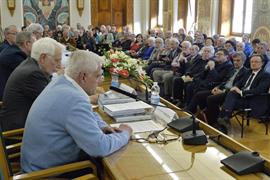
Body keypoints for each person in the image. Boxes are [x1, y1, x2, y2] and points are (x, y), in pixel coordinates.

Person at [21, 50, 132, 179]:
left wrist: (102, 125)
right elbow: (99, 147)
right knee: (114, 171)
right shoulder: (73, 99)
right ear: (83, 77)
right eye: (97, 76)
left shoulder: (62, 82)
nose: (99, 82)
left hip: (38, 163)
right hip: (47, 174)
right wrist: (125, 133)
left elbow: (88, 113)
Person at [0, 37, 63, 131]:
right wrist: (89, 99)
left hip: (27, 123)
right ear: (43, 58)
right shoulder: (32, 74)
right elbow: (56, 103)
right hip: (19, 133)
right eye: (57, 60)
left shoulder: (31, 65)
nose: (60, 65)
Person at [218, 55, 270, 134]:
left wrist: (241, 92)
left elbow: (259, 90)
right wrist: (235, 87)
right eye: (252, 62)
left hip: (253, 100)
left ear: (262, 63)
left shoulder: (265, 75)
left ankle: (223, 120)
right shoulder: (248, 72)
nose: (253, 63)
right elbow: (239, 83)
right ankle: (224, 119)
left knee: (227, 98)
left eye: (256, 62)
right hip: (241, 97)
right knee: (230, 94)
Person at [0, 31, 35, 100]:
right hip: (6, 98)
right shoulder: (14, 55)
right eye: (34, 42)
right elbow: (32, 73)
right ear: (27, 44)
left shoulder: (13, 50)